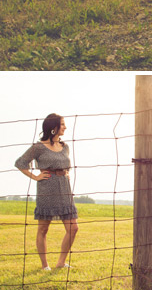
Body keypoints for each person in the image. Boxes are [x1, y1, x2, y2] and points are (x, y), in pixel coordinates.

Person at [15, 113, 78, 271]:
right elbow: (20, 163)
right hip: (46, 189)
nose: (65, 127)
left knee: (73, 228)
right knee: (43, 228)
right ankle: (44, 265)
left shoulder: (65, 147)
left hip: (64, 189)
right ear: (53, 127)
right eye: (62, 124)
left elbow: (64, 165)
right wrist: (35, 176)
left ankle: (61, 262)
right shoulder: (38, 147)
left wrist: (64, 173)